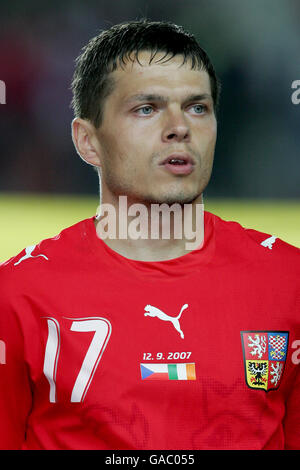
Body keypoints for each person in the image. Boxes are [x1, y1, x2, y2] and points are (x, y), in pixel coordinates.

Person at [0, 19, 299, 451]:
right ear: (88, 142)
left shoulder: (289, 282)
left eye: (198, 107)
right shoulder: (17, 296)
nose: (180, 127)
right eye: (147, 108)